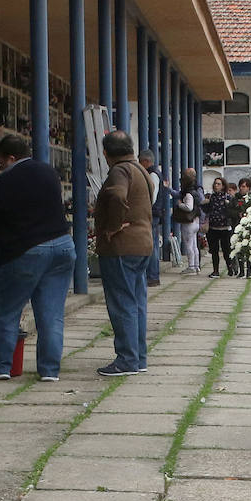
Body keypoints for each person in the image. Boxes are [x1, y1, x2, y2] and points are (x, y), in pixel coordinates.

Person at [0, 133, 74, 382]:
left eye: (0, 161)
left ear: (11, 158)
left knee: (7, 311)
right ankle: (49, 370)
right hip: (62, 248)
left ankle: (1, 365)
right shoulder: (49, 173)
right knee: (51, 314)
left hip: (24, 252)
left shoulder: (4, 183)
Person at [93, 130, 152, 376]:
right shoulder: (141, 170)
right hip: (142, 243)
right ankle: (138, 357)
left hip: (121, 247)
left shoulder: (119, 170)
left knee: (122, 303)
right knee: (137, 303)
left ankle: (126, 360)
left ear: (105, 153)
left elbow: (117, 195)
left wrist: (113, 226)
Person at [138, 150, 168, 287]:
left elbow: (152, 196)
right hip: (155, 213)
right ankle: (152, 275)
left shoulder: (153, 175)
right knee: (152, 244)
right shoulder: (155, 173)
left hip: (152, 214)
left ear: (146, 161)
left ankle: (152, 275)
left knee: (151, 245)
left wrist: (144, 209)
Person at [203, 177, 235, 278]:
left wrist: (228, 206)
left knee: (226, 250)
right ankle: (215, 270)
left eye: (218, 184)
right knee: (214, 250)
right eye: (215, 184)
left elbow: (232, 211)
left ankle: (230, 267)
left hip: (224, 228)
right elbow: (206, 210)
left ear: (223, 186)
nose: (216, 186)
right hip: (213, 228)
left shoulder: (227, 197)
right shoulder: (211, 197)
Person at [231, 178, 251, 278]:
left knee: (249, 249)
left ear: (248, 188)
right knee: (239, 249)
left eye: (244, 186)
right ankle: (241, 271)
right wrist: (237, 214)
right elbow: (230, 211)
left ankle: (249, 271)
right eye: (241, 186)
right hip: (238, 226)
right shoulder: (235, 199)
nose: (242, 189)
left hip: (249, 228)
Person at [173, 169, 201, 273]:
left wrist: (180, 204)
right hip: (196, 221)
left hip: (188, 223)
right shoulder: (196, 191)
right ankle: (196, 265)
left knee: (189, 245)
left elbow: (188, 207)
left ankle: (191, 266)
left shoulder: (188, 193)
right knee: (194, 245)